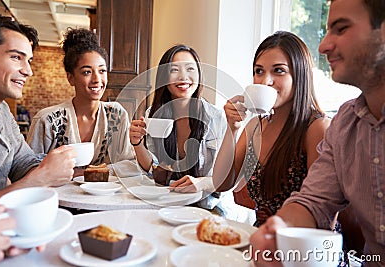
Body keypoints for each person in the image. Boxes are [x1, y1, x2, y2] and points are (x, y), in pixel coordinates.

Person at [249, 0, 385, 266]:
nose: (323, 46)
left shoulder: (317, 126)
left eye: (341, 28)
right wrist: (279, 229)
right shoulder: (345, 124)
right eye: (258, 71)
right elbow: (314, 203)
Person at [170, 31, 330, 226]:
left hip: (300, 244)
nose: (265, 81)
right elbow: (223, 183)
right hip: (259, 236)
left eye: (278, 70)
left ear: (300, 74)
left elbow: (324, 215)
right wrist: (232, 127)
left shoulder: (316, 128)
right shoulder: (256, 126)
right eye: (259, 71)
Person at [0, 13, 75, 263]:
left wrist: (54, 164)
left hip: (11, 240)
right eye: (16, 57)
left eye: (29, 60)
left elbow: (23, 162)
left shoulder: (2, 111)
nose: (28, 70)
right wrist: (42, 177)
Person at [129, 44, 227, 211]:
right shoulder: (153, 115)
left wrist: (202, 183)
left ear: (199, 75)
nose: (183, 76)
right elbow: (154, 170)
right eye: (174, 70)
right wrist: (137, 143)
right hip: (168, 202)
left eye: (190, 69)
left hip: (208, 207)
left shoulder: (216, 118)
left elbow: (229, 177)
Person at [27, 28, 135, 177]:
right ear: (70, 78)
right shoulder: (47, 120)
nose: (97, 79)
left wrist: (88, 173)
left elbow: (130, 163)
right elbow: (29, 170)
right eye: (87, 72)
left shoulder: (116, 114)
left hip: (108, 198)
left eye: (102, 71)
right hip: (59, 198)